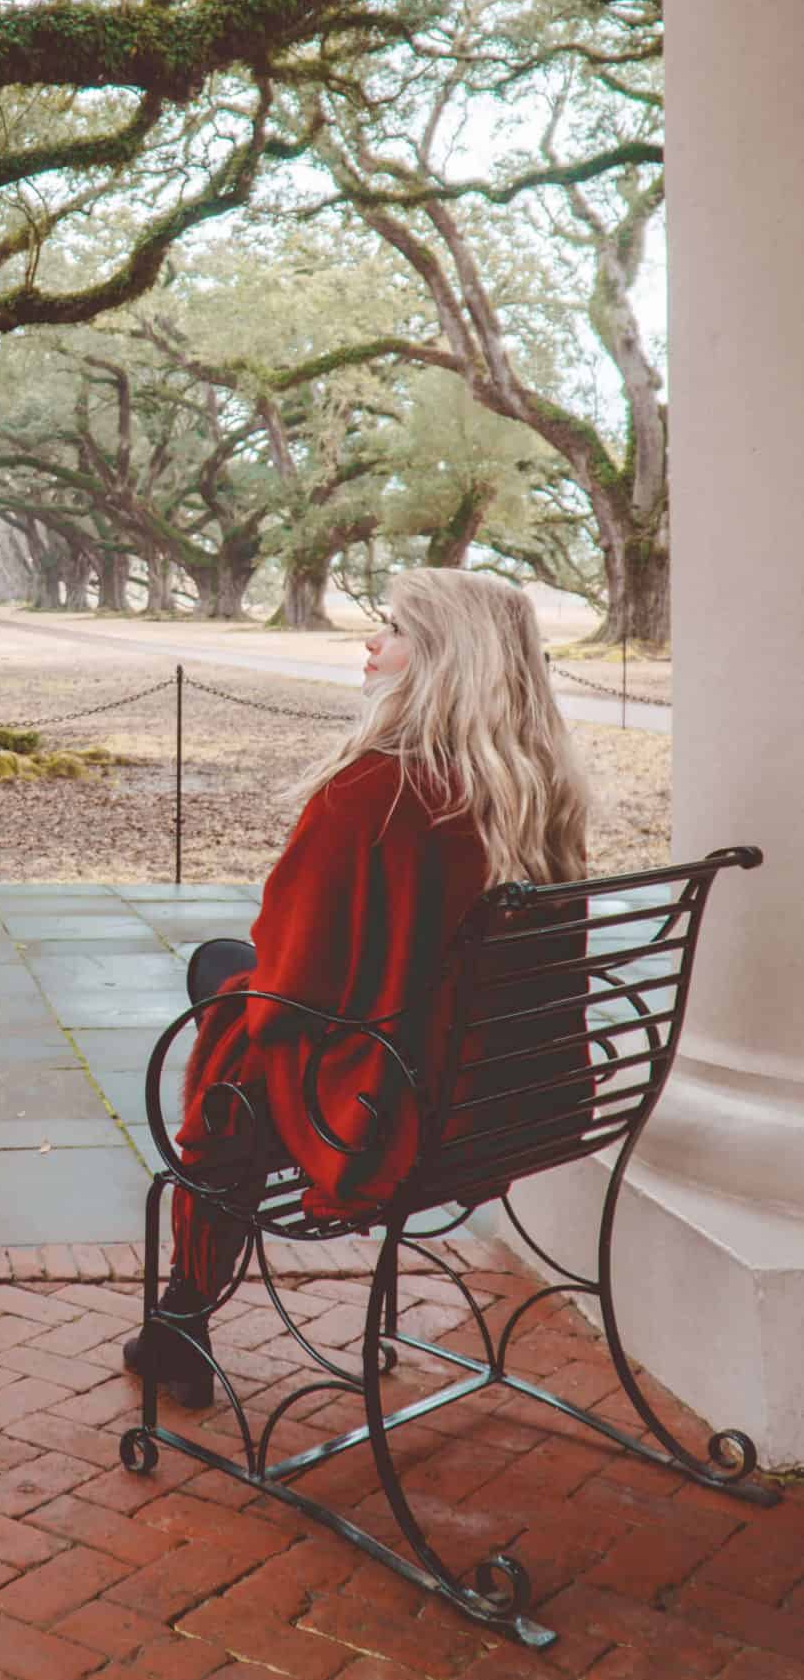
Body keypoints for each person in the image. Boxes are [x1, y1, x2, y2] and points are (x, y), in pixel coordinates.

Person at [125, 568, 591, 1404]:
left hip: (381, 1108)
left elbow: (291, 987)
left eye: (392, 629)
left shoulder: (375, 788)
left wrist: (239, 989)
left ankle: (182, 1314)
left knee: (225, 1007)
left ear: (445, 656)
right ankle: (175, 1320)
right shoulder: (538, 786)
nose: (369, 644)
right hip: (499, 1097)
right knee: (231, 990)